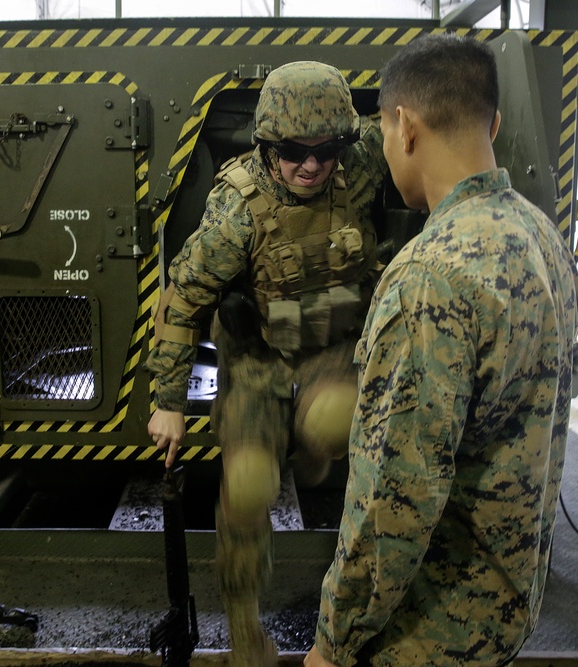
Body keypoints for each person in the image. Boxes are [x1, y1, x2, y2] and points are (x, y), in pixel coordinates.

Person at [304, 34, 578, 667]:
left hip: (429, 630)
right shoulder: (541, 236)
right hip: (507, 605)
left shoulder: (430, 274)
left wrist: (332, 642)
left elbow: (393, 499)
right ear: (496, 121)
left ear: (404, 126)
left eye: (379, 130)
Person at [146, 61, 388, 666]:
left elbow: (420, 124)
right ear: (265, 144)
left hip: (330, 350)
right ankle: (243, 623)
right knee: (250, 486)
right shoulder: (239, 208)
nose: (310, 165)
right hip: (256, 360)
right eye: (291, 152)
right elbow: (184, 297)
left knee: (332, 422)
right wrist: (168, 403)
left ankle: (310, 451)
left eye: (326, 150)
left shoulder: (359, 168)